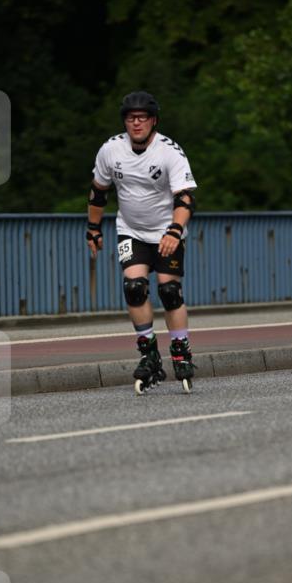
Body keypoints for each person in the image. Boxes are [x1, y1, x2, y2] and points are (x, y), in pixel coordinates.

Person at [86, 90, 198, 393]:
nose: (136, 124)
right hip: (131, 230)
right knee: (134, 288)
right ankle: (149, 355)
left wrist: (175, 231)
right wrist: (93, 228)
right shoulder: (111, 150)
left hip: (166, 233)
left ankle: (180, 352)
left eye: (142, 118)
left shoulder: (169, 152)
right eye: (131, 118)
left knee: (169, 290)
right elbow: (99, 191)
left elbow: (185, 197)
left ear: (153, 121)